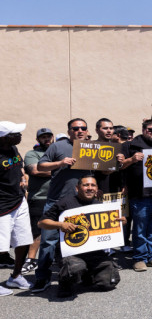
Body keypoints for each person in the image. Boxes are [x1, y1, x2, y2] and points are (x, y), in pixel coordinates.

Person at [32, 118, 96, 292]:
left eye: (83, 128)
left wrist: (117, 160)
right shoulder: (58, 146)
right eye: (76, 128)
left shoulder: (92, 148)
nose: (80, 131)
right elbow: (41, 166)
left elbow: (105, 170)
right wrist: (60, 163)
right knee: (48, 241)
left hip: (82, 203)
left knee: (83, 239)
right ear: (69, 131)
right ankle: (42, 276)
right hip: (57, 201)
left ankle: (80, 272)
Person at [36, 175, 124, 297]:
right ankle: (65, 283)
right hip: (71, 252)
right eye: (86, 185)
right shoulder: (65, 203)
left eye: (93, 185)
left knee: (108, 282)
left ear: (97, 189)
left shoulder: (101, 207)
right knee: (75, 267)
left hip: (94, 252)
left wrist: (120, 222)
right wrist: (60, 224)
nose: (90, 188)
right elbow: (41, 223)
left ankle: (87, 276)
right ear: (77, 188)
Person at [120, 119, 152, 272]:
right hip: (139, 194)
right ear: (143, 129)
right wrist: (131, 159)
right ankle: (139, 258)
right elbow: (118, 166)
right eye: (150, 129)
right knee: (140, 229)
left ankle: (151, 257)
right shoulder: (130, 145)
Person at [0, 122, 33, 295]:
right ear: (4, 137)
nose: (20, 135)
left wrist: (23, 177)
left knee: (23, 240)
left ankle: (16, 276)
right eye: (16, 133)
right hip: (2, 207)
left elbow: (18, 166)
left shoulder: (12, 149)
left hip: (19, 201)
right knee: (1, 247)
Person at [20, 128, 54, 275]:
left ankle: (57, 258)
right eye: (43, 137)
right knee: (37, 231)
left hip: (58, 197)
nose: (46, 139)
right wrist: (61, 168)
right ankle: (31, 260)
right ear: (38, 139)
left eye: (48, 136)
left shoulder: (57, 152)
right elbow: (35, 170)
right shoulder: (32, 154)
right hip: (39, 198)